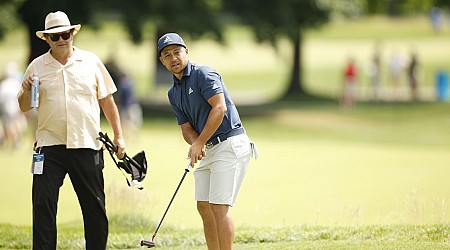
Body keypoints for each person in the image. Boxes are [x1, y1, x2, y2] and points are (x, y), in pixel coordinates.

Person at [17, 11, 125, 250]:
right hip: (49, 145)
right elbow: (25, 106)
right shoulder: (36, 66)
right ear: (46, 39)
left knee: (94, 206)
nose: (61, 40)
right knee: (43, 203)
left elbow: (107, 101)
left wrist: (119, 136)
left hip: (87, 144)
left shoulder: (91, 61)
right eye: (55, 36)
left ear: (72, 33)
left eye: (65, 34)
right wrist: (25, 90)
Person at [158, 33, 257, 250]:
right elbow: (186, 128)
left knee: (219, 207)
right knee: (204, 206)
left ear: (186, 52)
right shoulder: (173, 92)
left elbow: (219, 108)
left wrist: (199, 142)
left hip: (230, 143)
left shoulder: (203, 74)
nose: (173, 58)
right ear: (162, 61)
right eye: (167, 55)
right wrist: (196, 143)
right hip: (210, 147)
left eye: (177, 52)